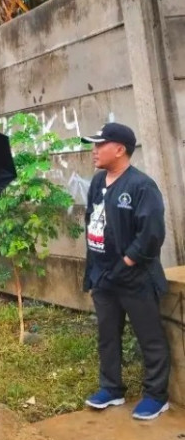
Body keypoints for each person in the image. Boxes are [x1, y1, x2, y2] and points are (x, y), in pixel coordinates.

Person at [81, 123, 171, 420]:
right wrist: (96, 267)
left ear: (119, 149)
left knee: (149, 337)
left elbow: (152, 233)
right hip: (103, 276)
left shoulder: (141, 186)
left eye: (100, 145)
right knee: (107, 335)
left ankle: (156, 396)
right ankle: (112, 388)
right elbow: (93, 220)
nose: (94, 151)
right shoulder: (97, 182)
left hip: (135, 277)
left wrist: (128, 262)